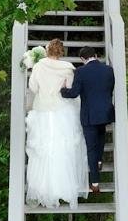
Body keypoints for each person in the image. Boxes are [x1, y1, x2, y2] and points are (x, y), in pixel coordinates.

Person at [25, 40, 89, 208]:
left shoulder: (39, 66)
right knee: (63, 149)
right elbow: (69, 89)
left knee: (43, 150)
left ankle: (44, 189)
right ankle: (64, 188)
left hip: (43, 111)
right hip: (62, 110)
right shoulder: (67, 68)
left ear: (47, 50)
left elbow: (32, 87)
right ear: (61, 52)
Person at [60, 46, 114, 194]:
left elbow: (73, 93)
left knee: (91, 148)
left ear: (83, 59)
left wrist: (63, 89)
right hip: (105, 111)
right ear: (96, 55)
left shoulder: (80, 71)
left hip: (89, 114)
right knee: (101, 135)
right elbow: (110, 89)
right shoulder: (108, 70)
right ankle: (99, 160)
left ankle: (95, 183)